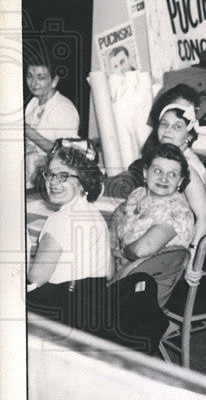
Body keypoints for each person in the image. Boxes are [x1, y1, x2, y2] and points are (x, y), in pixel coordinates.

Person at [26, 146, 167, 355]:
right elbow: (110, 272)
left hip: (64, 315)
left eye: (63, 176)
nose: (53, 183)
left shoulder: (60, 220)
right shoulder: (95, 215)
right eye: (50, 175)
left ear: (82, 182)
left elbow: (36, 278)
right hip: (93, 313)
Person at [110, 143, 195, 296]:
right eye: (157, 171)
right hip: (120, 273)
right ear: (145, 172)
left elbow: (141, 250)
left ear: (180, 181)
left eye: (172, 174)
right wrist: (110, 242)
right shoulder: (140, 194)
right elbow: (120, 211)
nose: (164, 178)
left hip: (145, 288)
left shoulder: (178, 211)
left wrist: (117, 253)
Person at [151, 104, 206, 251]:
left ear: (189, 136)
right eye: (164, 124)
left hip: (182, 239)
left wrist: (192, 256)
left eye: (177, 127)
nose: (167, 130)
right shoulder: (171, 159)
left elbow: (205, 218)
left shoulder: (187, 168)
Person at [24, 58, 80, 184]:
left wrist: (30, 133)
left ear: (54, 81)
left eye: (41, 77)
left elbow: (66, 154)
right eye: (30, 76)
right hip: (30, 176)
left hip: (52, 180)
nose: (34, 83)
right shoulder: (33, 103)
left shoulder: (63, 108)